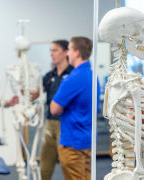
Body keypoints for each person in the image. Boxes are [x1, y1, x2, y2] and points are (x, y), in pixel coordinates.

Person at [50, 36, 100, 180]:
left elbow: (54, 109)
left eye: (70, 50)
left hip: (73, 143)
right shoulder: (92, 75)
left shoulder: (74, 78)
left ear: (77, 53)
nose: (67, 54)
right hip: (87, 140)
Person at [39, 40, 73, 180]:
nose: (51, 54)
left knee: (68, 165)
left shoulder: (73, 75)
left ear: (66, 52)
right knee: (45, 167)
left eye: (55, 50)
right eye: (50, 50)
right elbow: (37, 93)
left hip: (66, 123)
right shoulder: (49, 76)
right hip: (49, 123)